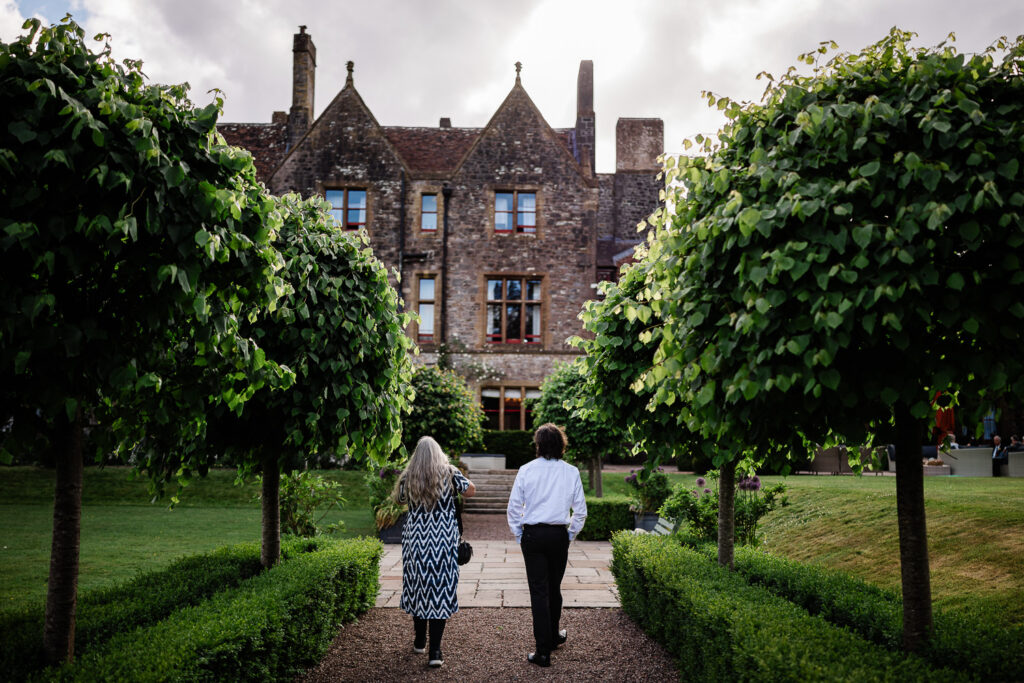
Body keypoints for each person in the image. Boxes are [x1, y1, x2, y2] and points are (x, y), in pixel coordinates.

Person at [506, 423, 587, 668]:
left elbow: (513, 509)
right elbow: (580, 512)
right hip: (557, 536)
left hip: (533, 536)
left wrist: (521, 536)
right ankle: (551, 639)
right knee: (554, 588)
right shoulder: (571, 471)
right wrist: (568, 536)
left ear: (538, 445)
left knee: (540, 592)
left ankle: (544, 650)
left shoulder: (526, 470)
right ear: (562, 445)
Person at [395, 436, 475, 667]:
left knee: (419, 587)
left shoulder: (408, 476)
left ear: (416, 456)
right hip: (443, 543)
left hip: (415, 542)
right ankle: (436, 652)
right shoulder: (450, 473)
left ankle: (420, 642)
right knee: (440, 589)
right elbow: (470, 491)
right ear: (439, 453)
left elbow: (400, 500)